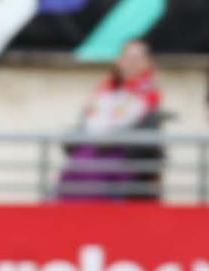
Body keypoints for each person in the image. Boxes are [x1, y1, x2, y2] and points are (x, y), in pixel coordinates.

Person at [57, 40, 163, 201]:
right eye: (127, 58)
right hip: (92, 148)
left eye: (136, 59)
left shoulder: (149, 92)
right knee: (76, 167)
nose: (130, 63)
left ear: (147, 63)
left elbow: (138, 130)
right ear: (119, 61)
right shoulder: (106, 88)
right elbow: (90, 118)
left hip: (123, 153)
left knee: (96, 171)